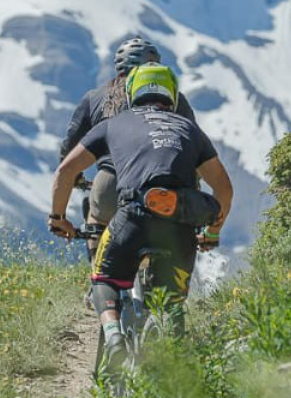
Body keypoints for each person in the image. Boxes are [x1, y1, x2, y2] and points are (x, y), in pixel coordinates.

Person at [48, 63, 232, 359]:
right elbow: (224, 190)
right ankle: (170, 364)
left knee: (104, 281)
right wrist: (212, 233)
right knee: (170, 305)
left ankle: (113, 336)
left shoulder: (113, 124)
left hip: (131, 219)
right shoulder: (189, 129)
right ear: (172, 95)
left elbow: (66, 170)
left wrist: (58, 219)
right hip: (180, 228)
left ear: (131, 93)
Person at [58, 37, 196, 233]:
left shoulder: (94, 97)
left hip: (110, 183)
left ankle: (97, 253)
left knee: (96, 219)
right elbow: (192, 146)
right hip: (163, 185)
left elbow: (70, 147)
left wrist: (76, 178)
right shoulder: (173, 97)